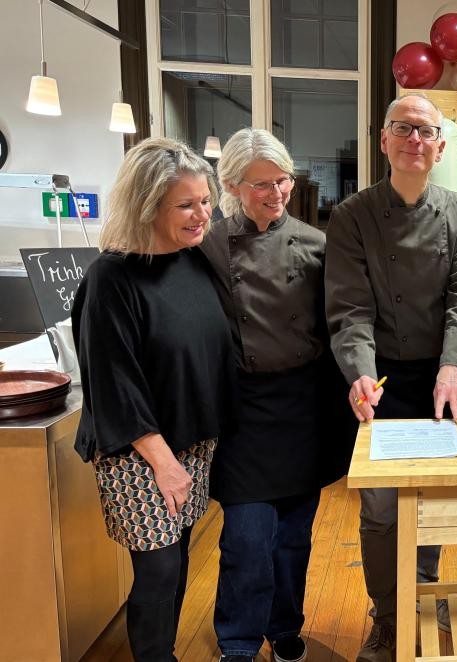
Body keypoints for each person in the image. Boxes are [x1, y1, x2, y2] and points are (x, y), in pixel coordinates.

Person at [325, 93, 457, 662]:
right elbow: (350, 308)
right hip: (381, 377)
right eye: (403, 128)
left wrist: (454, 366)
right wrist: (361, 375)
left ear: (439, 148)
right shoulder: (353, 215)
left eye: (425, 131)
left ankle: (421, 596)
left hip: (439, 376)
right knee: (381, 508)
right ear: (384, 140)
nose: (415, 139)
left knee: (431, 497)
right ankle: (387, 616)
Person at [71, 137, 235, 661]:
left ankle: (163, 651)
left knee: (178, 555)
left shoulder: (194, 260)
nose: (202, 214)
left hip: (191, 441)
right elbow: (114, 382)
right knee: (159, 566)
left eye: (205, 201)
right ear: (147, 206)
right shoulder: (111, 277)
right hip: (139, 450)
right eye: (186, 205)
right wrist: (165, 464)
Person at [199, 128, 355, 662]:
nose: (277, 192)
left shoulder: (316, 244)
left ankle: (285, 628)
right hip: (243, 409)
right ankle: (238, 643)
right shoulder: (208, 247)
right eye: (261, 184)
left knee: (293, 535)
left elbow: (341, 323)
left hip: (303, 406)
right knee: (246, 536)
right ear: (231, 186)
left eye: (283, 180)